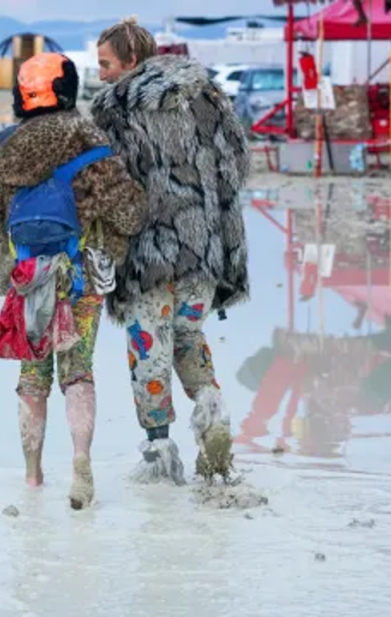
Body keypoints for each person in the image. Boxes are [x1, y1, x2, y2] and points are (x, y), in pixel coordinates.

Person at [0, 52, 146, 509]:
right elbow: (129, 212)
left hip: (24, 278)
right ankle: (81, 462)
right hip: (81, 275)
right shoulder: (90, 143)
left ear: (21, 95)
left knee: (32, 376)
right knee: (78, 370)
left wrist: (13, 250)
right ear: (67, 90)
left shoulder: (1, 149)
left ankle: (31, 477)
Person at [91, 18, 251, 483]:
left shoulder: (116, 109)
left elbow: (109, 191)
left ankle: (160, 452)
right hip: (204, 250)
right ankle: (212, 413)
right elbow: (237, 164)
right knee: (189, 338)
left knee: (149, 350)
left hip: (148, 255)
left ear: (131, 61)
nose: (99, 74)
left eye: (105, 64)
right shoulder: (208, 96)